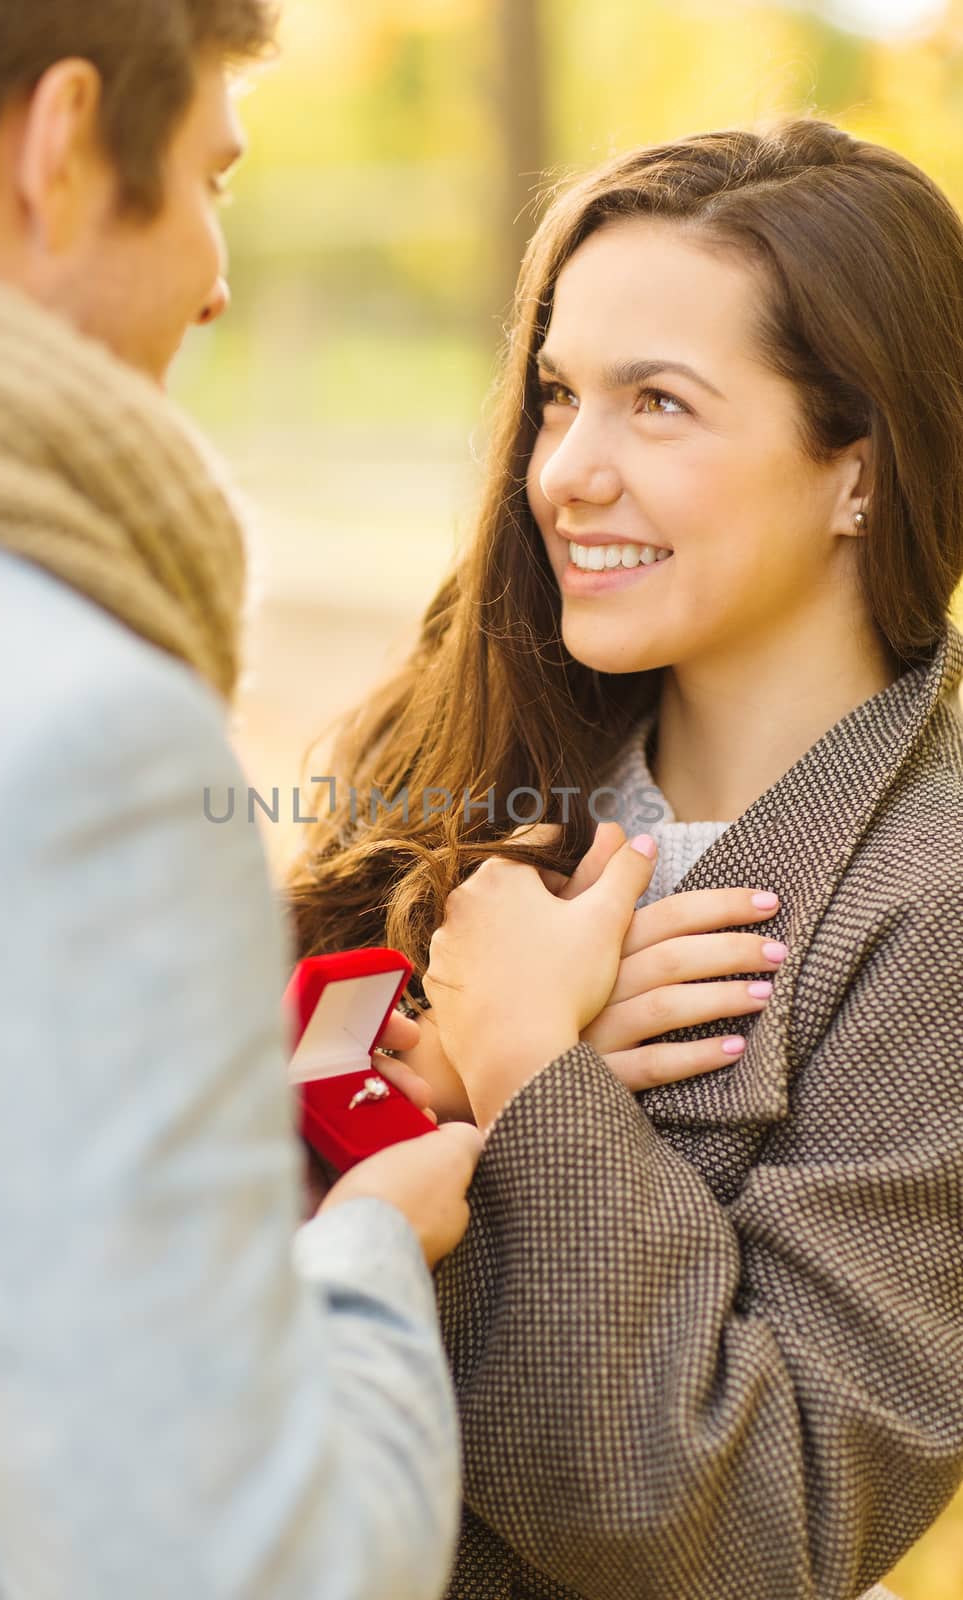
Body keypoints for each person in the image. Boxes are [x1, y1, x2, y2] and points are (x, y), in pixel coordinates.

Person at [288, 118, 963, 1599]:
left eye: (658, 404)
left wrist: (533, 1067)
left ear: (858, 465)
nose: (566, 474)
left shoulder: (938, 904)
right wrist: (438, 1081)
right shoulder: (457, 754)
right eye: (556, 396)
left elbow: (763, 1530)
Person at [0, 4, 488, 1598]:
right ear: (62, 148)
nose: (220, 279)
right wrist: (364, 1250)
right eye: (213, 178)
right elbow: (237, 1569)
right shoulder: (76, 749)